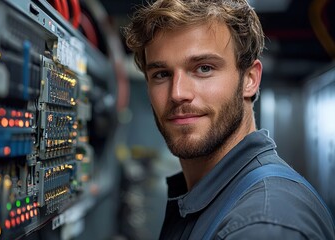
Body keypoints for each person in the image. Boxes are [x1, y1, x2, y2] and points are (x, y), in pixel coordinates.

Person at [124, 0, 335, 239]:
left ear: (250, 79)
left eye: (203, 68)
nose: (177, 93)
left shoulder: (262, 224)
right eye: (161, 74)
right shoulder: (208, 199)